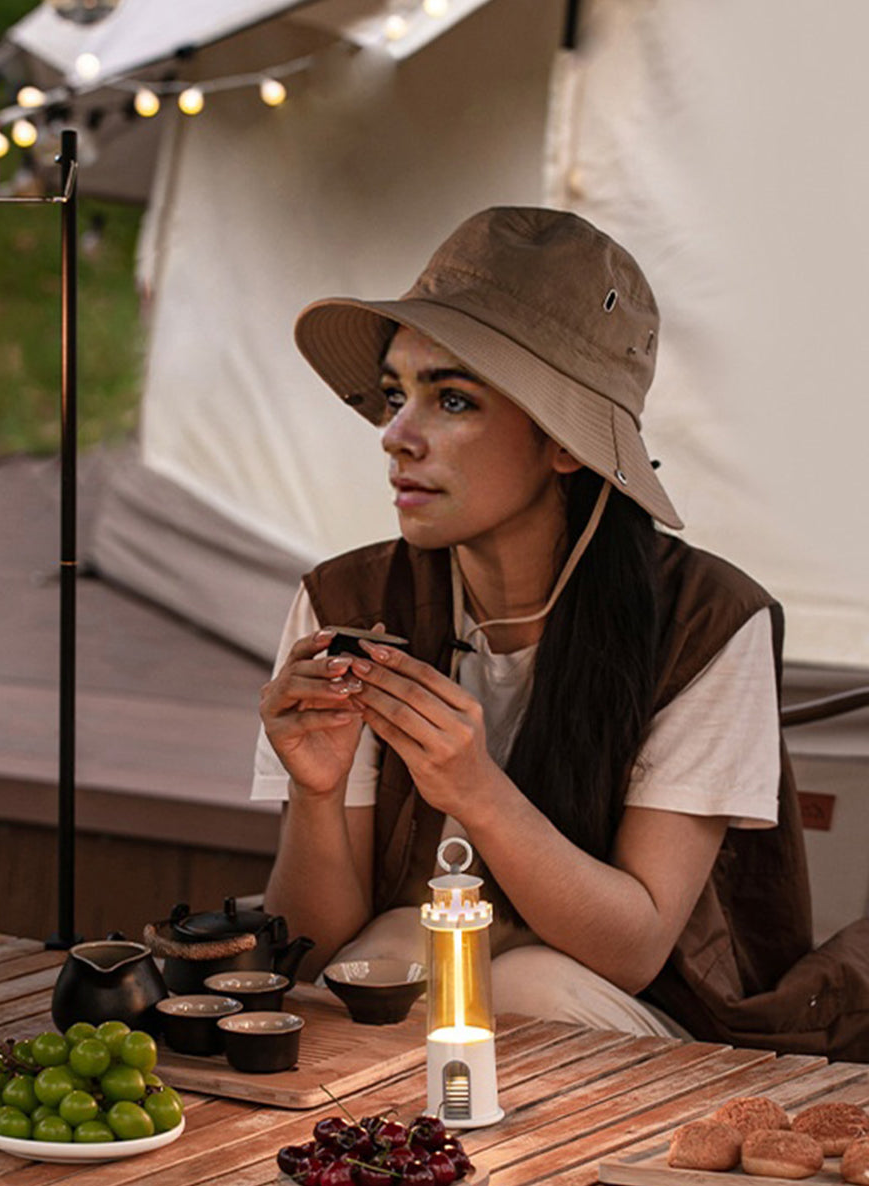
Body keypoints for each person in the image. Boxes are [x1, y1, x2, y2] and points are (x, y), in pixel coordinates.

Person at [251, 206, 868, 1057]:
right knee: (393, 953)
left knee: (519, 982)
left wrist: (475, 789)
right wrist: (317, 795)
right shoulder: (348, 602)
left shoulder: (708, 622)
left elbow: (637, 946)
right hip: (416, 1003)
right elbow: (315, 948)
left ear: (566, 445)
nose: (396, 436)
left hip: (650, 1029)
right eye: (396, 395)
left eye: (453, 399)